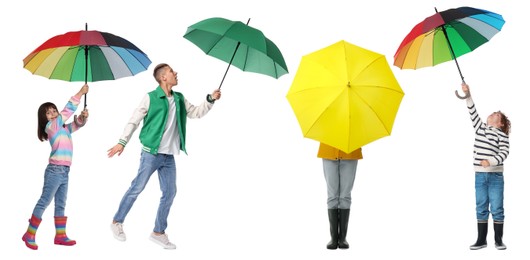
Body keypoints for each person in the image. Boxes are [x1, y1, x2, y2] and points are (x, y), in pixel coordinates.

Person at [107, 63, 221, 249]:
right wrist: (122, 141)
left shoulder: (179, 98)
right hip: (150, 154)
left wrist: (210, 99)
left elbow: (195, 113)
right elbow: (134, 120)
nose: (176, 73)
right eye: (171, 71)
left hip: (168, 157)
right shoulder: (150, 97)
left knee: (170, 192)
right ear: (163, 78)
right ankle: (116, 222)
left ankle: (158, 232)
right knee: (137, 187)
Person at [22, 84, 89, 250]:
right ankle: (29, 233)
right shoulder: (51, 127)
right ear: (44, 118)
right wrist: (80, 93)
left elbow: (76, 125)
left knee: (61, 204)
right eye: (48, 112)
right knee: (44, 201)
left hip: (65, 171)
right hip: (54, 171)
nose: (53, 113)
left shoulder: (63, 128)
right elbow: (67, 111)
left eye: (54, 110)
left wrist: (83, 117)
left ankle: (60, 235)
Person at [461, 83, 510, 251]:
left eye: (497, 114)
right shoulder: (480, 128)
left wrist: (491, 161)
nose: (492, 113)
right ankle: (481, 239)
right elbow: (472, 111)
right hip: (480, 176)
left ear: (501, 124)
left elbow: (504, 153)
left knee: (497, 207)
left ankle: (498, 239)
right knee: (481, 206)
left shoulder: (502, 136)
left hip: (495, 176)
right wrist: (468, 94)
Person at [317, 142, 362, 250]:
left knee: (345, 196)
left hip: (350, 152)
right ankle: (333, 238)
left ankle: (342, 238)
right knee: (332, 196)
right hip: (328, 150)